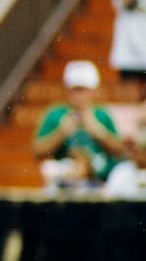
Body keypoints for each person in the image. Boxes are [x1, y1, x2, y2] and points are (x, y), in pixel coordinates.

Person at [33, 60, 130, 192]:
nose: (79, 96)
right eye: (75, 90)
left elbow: (121, 151)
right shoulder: (55, 114)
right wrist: (61, 132)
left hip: (97, 182)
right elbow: (37, 151)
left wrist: (98, 132)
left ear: (93, 91)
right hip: (63, 183)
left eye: (83, 90)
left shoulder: (102, 115)